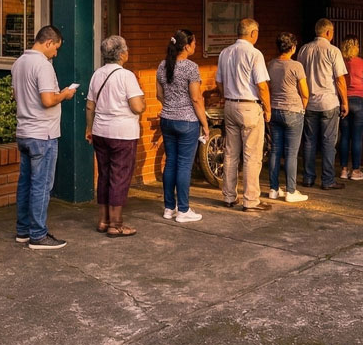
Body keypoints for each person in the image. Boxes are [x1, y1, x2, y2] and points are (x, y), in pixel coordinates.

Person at [12, 25, 78, 249]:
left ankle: (23, 230)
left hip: (24, 130)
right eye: (56, 48)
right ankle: (38, 235)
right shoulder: (43, 65)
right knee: (41, 185)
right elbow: (48, 100)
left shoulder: (19, 63)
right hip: (43, 133)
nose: (56, 54)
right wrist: (66, 94)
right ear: (48, 42)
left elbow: (17, 96)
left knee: (25, 183)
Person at [86, 36, 146, 237]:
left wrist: (89, 128)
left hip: (100, 131)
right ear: (121, 54)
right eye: (126, 50)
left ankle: (103, 220)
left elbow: (89, 105)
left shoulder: (97, 74)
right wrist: (143, 103)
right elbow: (137, 107)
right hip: (122, 133)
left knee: (104, 175)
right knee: (119, 177)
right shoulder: (126, 76)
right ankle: (116, 224)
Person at [215, 18, 272, 212]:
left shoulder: (225, 53)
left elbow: (219, 82)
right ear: (253, 33)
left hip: (230, 104)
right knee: (251, 155)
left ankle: (229, 196)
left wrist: (227, 96)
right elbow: (262, 85)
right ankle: (250, 199)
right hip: (249, 106)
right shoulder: (255, 54)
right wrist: (268, 109)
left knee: (230, 153)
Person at [155, 29, 210, 222]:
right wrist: (205, 124)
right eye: (194, 43)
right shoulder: (190, 67)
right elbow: (196, 98)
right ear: (186, 46)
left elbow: (159, 95)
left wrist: (170, 106)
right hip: (187, 121)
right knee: (184, 166)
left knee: (170, 162)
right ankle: (184, 210)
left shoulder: (162, 65)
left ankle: (169, 208)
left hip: (167, 119)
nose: (195, 46)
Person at [298, 18, 348, 190]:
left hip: (309, 102)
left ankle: (308, 177)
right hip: (328, 102)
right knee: (328, 142)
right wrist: (345, 102)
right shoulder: (333, 51)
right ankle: (327, 180)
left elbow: (300, 77)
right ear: (328, 32)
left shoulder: (304, 49)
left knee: (309, 141)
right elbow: (340, 79)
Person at [266, 32, 309, 203]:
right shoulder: (296, 66)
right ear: (292, 48)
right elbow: (305, 92)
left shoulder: (270, 65)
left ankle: (273, 188)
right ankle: (291, 191)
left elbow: (267, 88)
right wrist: (302, 108)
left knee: (275, 150)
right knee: (291, 153)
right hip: (293, 110)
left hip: (275, 110)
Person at [338, 36, 363, 181]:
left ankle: (343, 170)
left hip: (344, 101)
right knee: (357, 137)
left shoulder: (340, 63)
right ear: (355, 47)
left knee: (345, 136)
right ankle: (356, 170)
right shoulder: (362, 63)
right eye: (358, 45)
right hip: (360, 101)